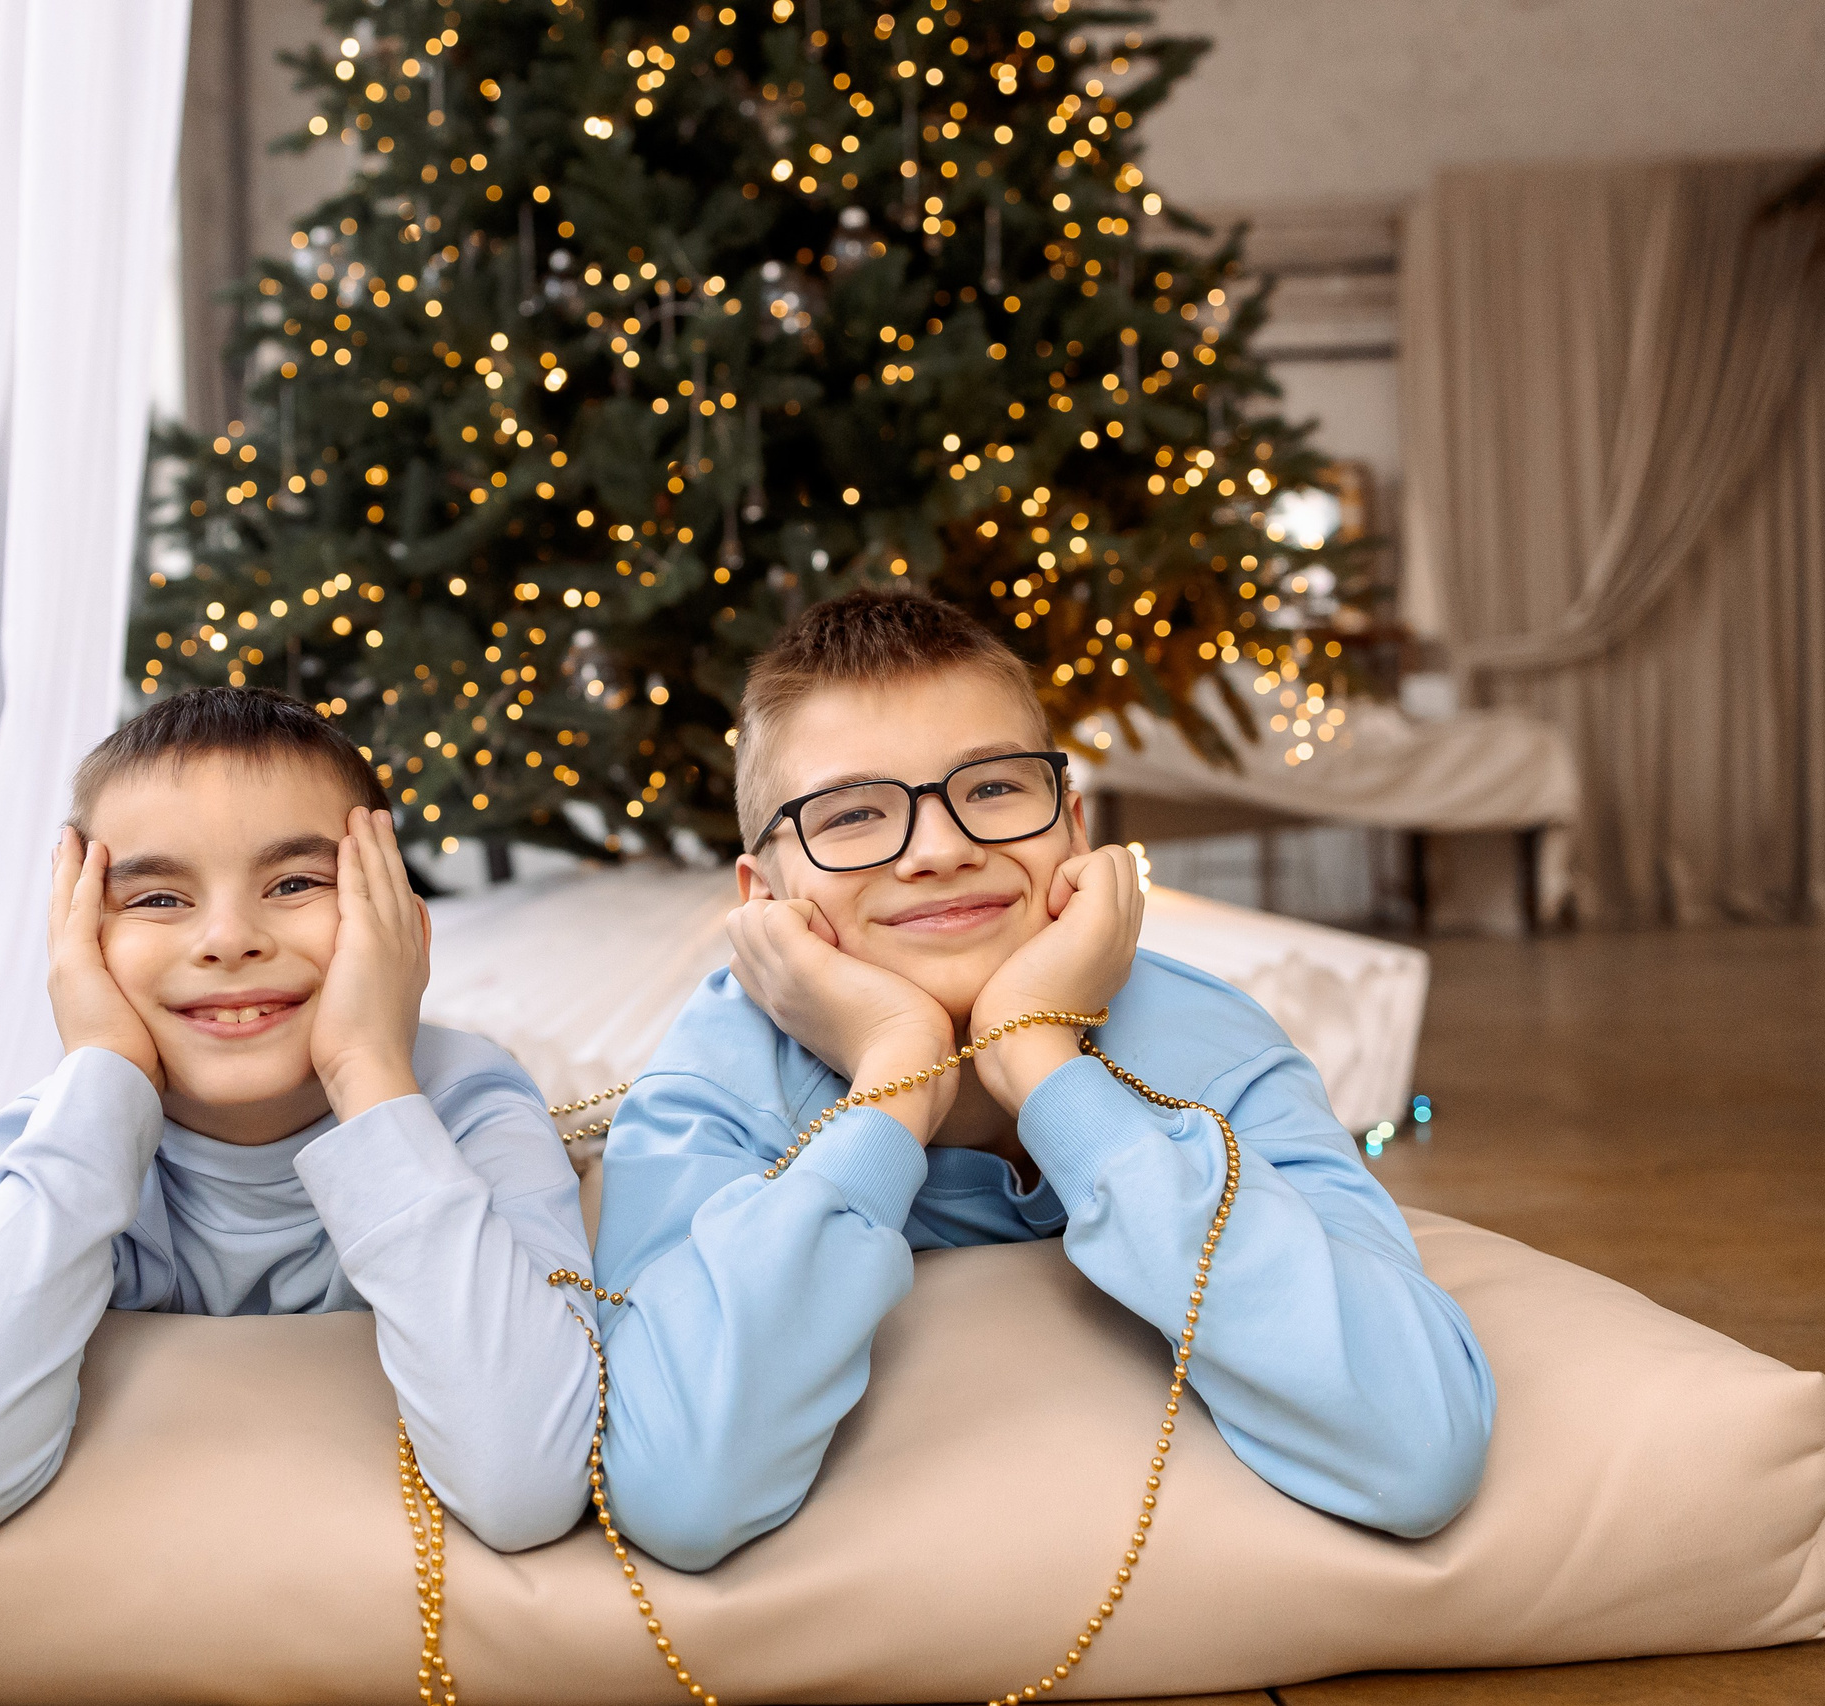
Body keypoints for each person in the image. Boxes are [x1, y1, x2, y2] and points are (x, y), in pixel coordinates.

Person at [590, 591, 1495, 1571]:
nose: (939, 849)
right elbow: (681, 1486)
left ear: (1071, 825)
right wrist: (895, 1071)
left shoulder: (1214, 1044)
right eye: (850, 812)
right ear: (762, 897)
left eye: (990, 788)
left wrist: (1041, 1064)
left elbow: (1414, 1447)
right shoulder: (710, 1086)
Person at [0, 687, 596, 1550]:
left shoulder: (469, 1106)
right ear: (78, 939)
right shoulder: (60, 1132)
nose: (229, 938)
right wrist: (105, 1074)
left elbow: (528, 1486)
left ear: (402, 927)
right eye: (159, 899)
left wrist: (367, 1071)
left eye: (294, 882)